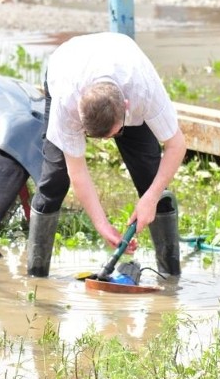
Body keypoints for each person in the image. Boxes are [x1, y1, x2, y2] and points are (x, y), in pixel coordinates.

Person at [27, 31, 187, 278]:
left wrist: (151, 198)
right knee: (54, 180)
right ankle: (36, 277)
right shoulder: (67, 101)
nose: (108, 142)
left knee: (150, 176)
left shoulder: (143, 89)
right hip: (66, 62)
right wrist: (102, 225)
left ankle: (170, 277)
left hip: (123, 64)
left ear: (126, 108)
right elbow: (76, 170)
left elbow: (177, 145)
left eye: (115, 133)